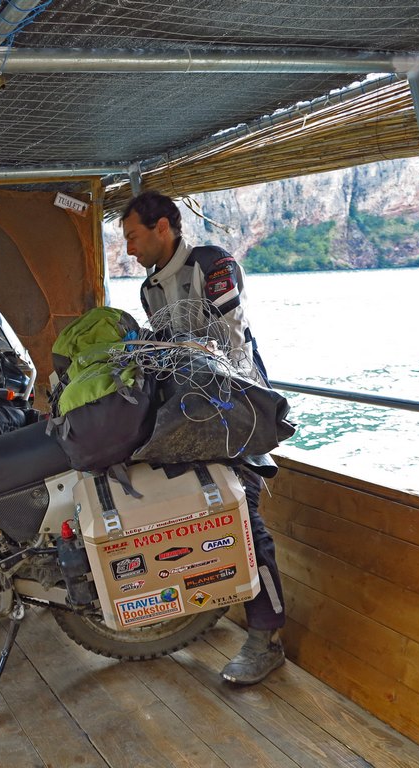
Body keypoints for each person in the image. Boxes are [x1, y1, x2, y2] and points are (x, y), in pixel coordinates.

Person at [120, 189, 286, 685]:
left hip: (237, 409)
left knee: (243, 515)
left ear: (162, 227)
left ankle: (265, 639)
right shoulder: (150, 290)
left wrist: (174, 350)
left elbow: (228, 339)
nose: (129, 249)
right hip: (189, 416)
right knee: (187, 508)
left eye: (133, 236)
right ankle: (196, 608)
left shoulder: (213, 266)